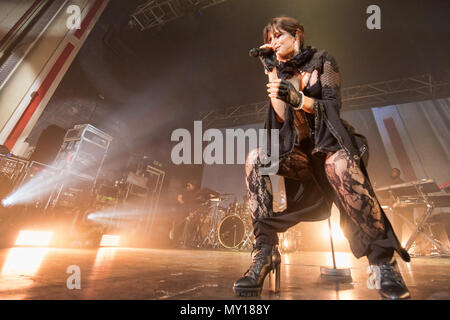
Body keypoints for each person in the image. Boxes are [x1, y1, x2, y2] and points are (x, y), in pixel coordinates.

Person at [233, 16, 411, 299]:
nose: (273, 43)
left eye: (278, 36)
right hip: (300, 154)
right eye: (269, 39)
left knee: (340, 165)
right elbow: (280, 118)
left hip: (330, 145)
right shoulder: (279, 69)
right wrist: (271, 72)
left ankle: (383, 263)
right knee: (255, 159)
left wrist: (301, 100)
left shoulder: (322, 60)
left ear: (297, 35)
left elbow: (333, 105)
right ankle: (264, 253)